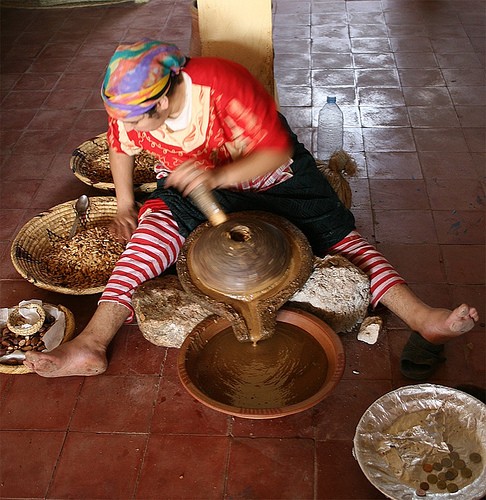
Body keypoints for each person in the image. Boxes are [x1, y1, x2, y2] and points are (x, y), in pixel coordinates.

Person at [24, 39, 479, 378]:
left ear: (162, 101)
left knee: (336, 238)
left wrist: (216, 178)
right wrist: (126, 204)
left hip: (271, 178)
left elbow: (275, 150)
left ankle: (421, 317)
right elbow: (119, 144)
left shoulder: (223, 85)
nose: (123, 125)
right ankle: (92, 342)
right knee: (154, 228)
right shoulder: (129, 102)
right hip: (194, 182)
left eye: (135, 119)